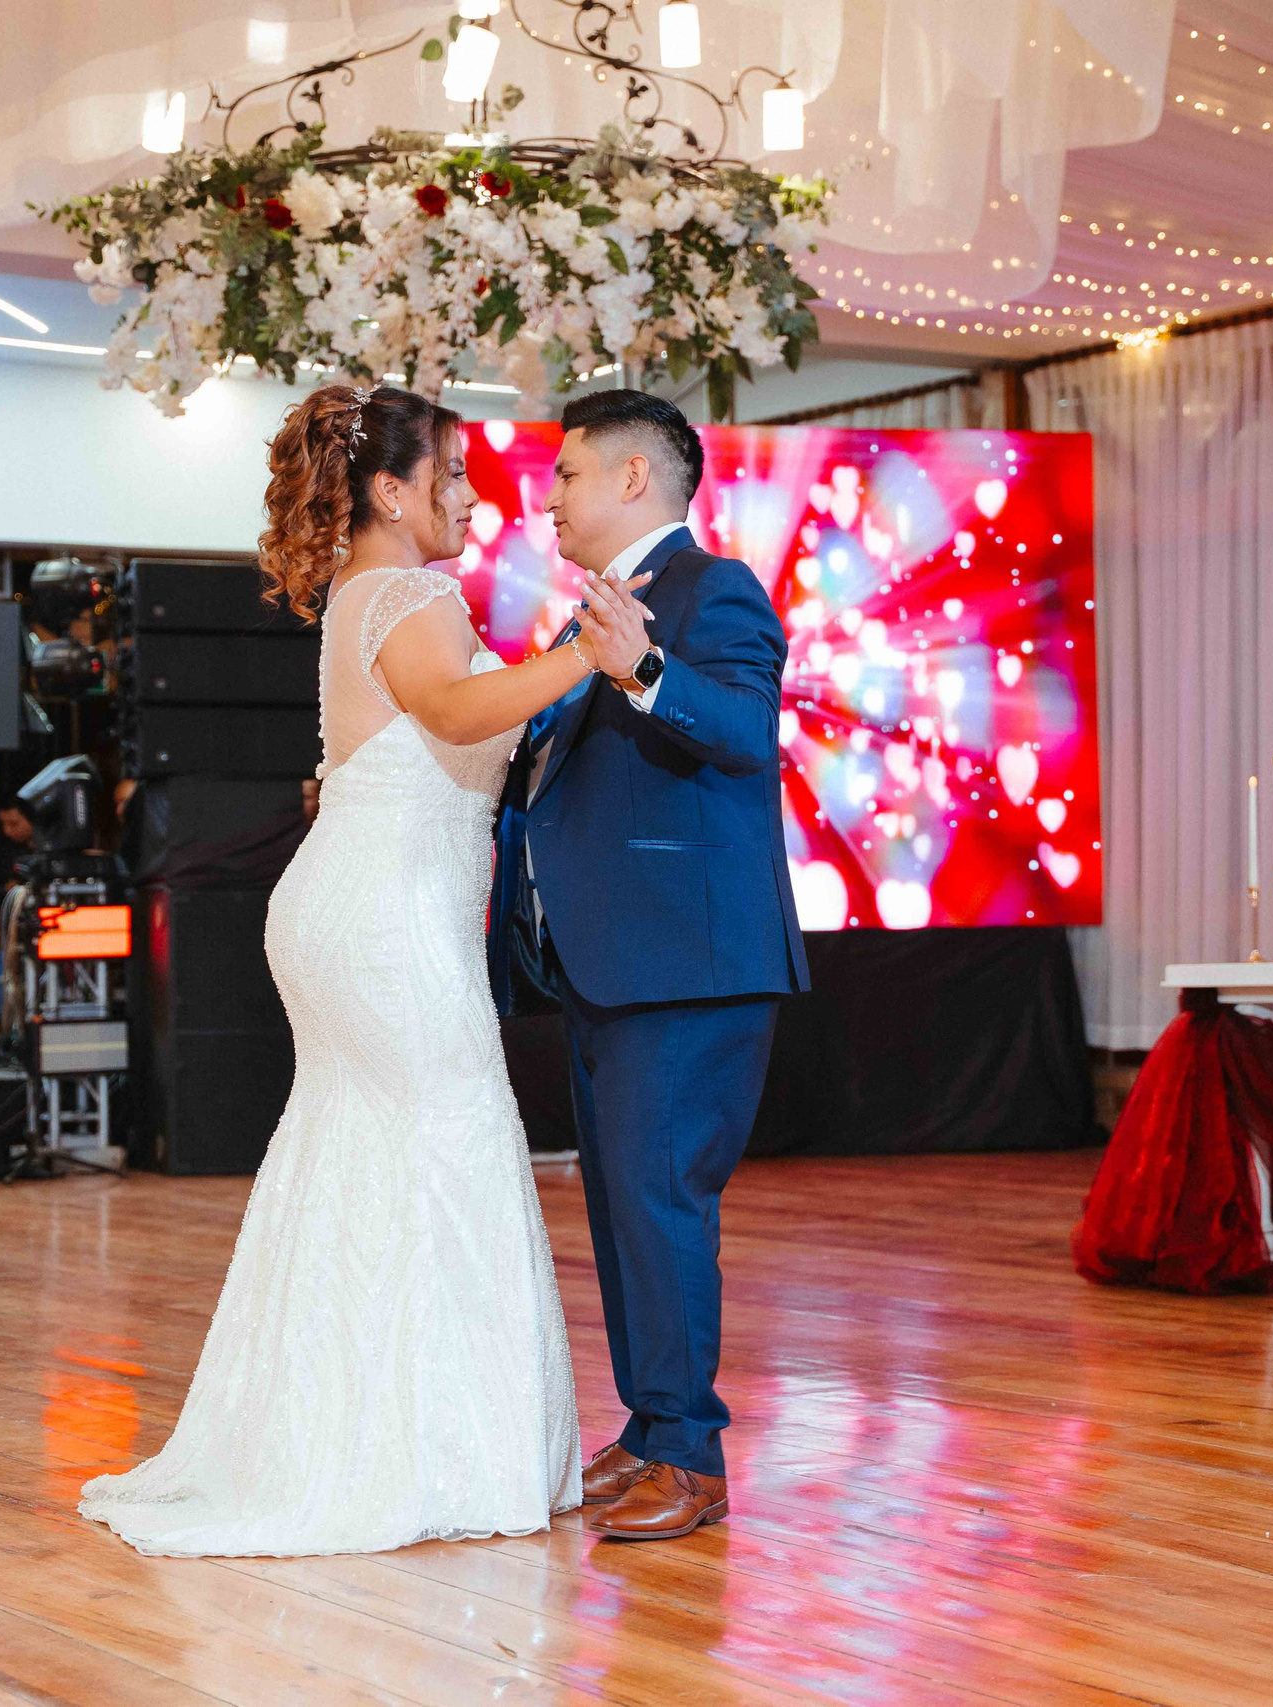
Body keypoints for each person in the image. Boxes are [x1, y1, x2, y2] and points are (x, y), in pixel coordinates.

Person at [79, 383, 660, 1558]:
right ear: (390, 493)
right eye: (450, 475)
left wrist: (558, 668)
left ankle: (346, 1435)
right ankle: (418, 1451)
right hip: (383, 920)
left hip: (368, 909)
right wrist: (590, 658)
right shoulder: (406, 588)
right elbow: (451, 710)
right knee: (444, 1146)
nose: (471, 495)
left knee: (363, 1158)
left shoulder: (377, 589)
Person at [487, 389, 808, 1542]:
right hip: (610, 965)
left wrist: (646, 671)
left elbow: (743, 729)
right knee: (625, 1208)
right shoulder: (603, 613)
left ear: (633, 479)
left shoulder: (709, 590)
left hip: (688, 966)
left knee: (662, 1205)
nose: (550, 496)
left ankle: (691, 1453)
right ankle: (653, 1426)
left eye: (567, 472)